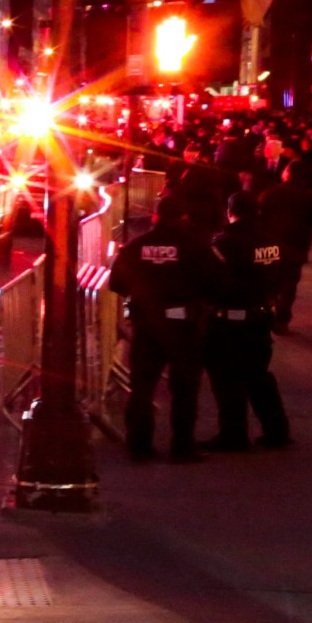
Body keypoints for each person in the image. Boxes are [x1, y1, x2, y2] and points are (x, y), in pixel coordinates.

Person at [109, 193, 226, 462]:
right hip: (182, 323)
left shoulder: (137, 246)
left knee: (142, 385)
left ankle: (139, 445)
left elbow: (116, 282)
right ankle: (182, 446)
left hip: (146, 322)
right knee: (184, 388)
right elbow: (218, 281)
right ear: (184, 218)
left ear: (155, 216)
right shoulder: (195, 246)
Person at [207, 190, 292, 450]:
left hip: (229, 319)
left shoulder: (224, 243)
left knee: (226, 377)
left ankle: (233, 434)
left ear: (229, 211)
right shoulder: (272, 241)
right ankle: (276, 431)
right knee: (258, 374)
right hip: (261, 315)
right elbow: (282, 275)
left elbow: (212, 279)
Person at [258, 158, 312, 332]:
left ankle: (267, 314)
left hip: (271, 243)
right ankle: (282, 319)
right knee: (289, 283)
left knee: (269, 281)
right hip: (297, 245)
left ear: (287, 174)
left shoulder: (270, 193)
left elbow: (259, 217)